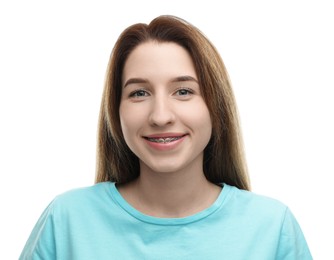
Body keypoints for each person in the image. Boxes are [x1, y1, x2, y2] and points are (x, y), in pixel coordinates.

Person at [20, 15, 312, 259]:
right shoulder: (67, 221)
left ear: (215, 106)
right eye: (139, 93)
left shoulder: (273, 227)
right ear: (116, 111)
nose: (160, 116)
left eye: (183, 91)